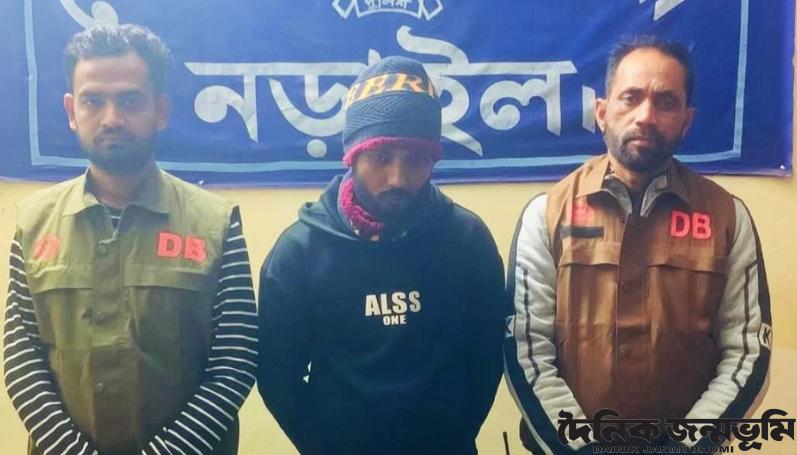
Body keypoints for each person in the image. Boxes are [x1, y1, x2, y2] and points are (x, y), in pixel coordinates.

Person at [504, 36, 771, 453]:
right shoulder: (547, 214)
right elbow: (526, 351)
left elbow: (747, 353)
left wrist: (686, 449)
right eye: (631, 98)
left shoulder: (726, 218)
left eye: (666, 102)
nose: (646, 116)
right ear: (602, 112)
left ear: (686, 121)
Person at [3, 24, 257, 455]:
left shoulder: (216, 223)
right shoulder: (34, 224)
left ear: (161, 110)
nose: (112, 119)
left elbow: (235, 361)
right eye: (93, 101)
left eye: (130, 100)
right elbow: (21, 359)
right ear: (71, 110)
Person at [257, 56, 504, 454]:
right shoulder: (299, 253)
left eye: (416, 160)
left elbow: (486, 359)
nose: (397, 179)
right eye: (381, 157)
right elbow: (276, 375)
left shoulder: (467, 241)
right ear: (353, 155)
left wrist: (450, 437)